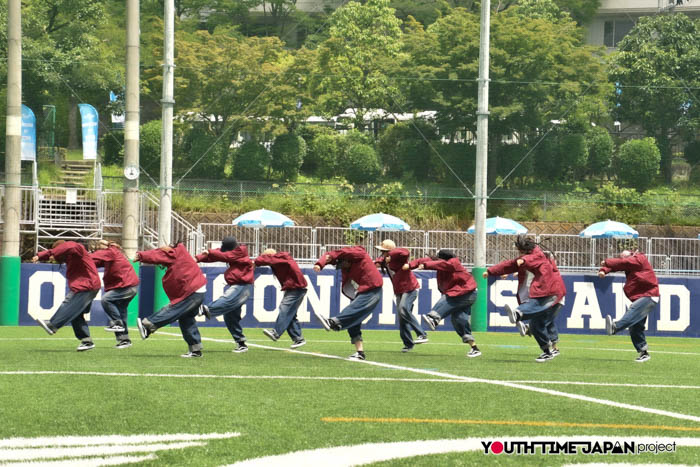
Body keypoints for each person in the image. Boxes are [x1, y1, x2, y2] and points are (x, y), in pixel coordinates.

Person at [485, 235, 565, 362]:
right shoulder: (527, 258)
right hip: (544, 292)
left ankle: (518, 314)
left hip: (552, 293)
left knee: (537, 306)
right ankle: (547, 352)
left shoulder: (539, 255)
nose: (519, 254)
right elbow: (509, 265)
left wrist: (524, 260)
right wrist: (491, 271)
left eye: (520, 251)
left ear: (526, 250)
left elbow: (533, 258)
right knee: (536, 325)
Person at [135, 241, 206, 358]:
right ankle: (195, 349)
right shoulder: (181, 254)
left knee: (173, 310)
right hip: (197, 291)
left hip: (192, 292)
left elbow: (157, 255)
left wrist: (141, 255)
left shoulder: (174, 253)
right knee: (186, 319)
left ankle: (148, 325)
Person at [313, 246, 383, 361]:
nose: (341, 267)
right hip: (362, 290)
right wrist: (320, 264)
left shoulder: (358, 254)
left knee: (353, 309)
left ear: (346, 259)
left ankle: (334, 322)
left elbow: (340, 253)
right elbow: (329, 256)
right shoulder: (347, 269)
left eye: (341, 264)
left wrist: (336, 255)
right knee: (353, 322)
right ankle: (360, 353)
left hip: (373, 289)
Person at [32, 240, 102, 351]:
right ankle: (87, 341)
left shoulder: (77, 249)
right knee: (76, 314)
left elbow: (70, 245)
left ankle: (53, 325)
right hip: (87, 286)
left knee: (68, 303)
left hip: (86, 286)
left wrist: (47, 253)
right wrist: (45, 256)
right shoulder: (71, 258)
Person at [410, 249, 482, 358]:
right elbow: (423, 260)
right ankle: (474, 348)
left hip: (466, 293)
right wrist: (410, 265)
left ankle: (434, 318)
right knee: (459, 320)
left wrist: (426, 265)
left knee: (448, 298)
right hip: (461, 293)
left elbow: (442, 264)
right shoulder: (441, 264)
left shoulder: (454, 262)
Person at [599, 243, 659, 363]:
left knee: (632, 311)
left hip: (649, 295)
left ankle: (615, 327)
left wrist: (607, 262)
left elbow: (623, 263)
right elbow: (618, 266)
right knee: (635, 327)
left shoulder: (640, 259)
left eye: (624, 257)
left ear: (631, 255)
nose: (622, 260)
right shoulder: (631, 264)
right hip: (642, 297)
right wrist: (604, 270)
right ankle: (643, 352)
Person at [196, 236, 254, 353]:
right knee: (230, 317)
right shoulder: (232, 252)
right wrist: (197, 258)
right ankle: (241, 343)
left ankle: (207, 309)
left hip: (242, 285)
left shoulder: (240, 251)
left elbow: (225, 256)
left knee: (227, 299)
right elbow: (215, 255)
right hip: (237, 285)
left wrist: (209, 251)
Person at [374, 239, 428, 352]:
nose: (382, 253)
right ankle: (408, 343)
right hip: (399, 291)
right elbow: (378, 261)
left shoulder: (399, 257)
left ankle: (421, 334)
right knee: (402, 317)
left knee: (403, 309)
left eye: (384, 251)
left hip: (410, 289)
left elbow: (405, 252)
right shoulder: (385, 260)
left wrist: (391, 255)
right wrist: (380, 261)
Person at [90, 239, 140, 349]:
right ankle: (124, 340)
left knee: (106, 300)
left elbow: (93, 257)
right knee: (121, 313)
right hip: (127, 286)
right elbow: (94, 263)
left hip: (127, 286)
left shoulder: (111, 251)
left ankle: (117, 323)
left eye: (98, 246)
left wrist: (82, 256)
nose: (96, 249)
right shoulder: (110, 254)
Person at [255, 248, 308, 349]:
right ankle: (298, 339)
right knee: (290, 315)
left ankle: (276, 333)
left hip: (296, 288)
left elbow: (263, 260)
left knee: (284, 309)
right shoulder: (279, 261)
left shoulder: (280, 257)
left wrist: (256, 262)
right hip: (293, 289)